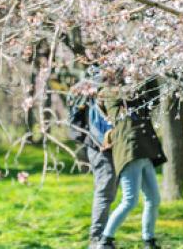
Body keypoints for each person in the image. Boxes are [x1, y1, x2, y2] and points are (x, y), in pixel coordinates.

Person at [96, 78, 165, 249]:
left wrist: (151, 76)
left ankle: (148, 240)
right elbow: (130, 93)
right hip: (130, 151)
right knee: (130, 200)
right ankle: (105, 239)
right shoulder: (109, 93)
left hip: (144, 150)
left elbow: (153, 98)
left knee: (153, 198)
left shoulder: (135, 97)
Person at [69, 66, 119, 249]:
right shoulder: (90, 89)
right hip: (99, 148)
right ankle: (98, 239)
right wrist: (92, 140)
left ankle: (105, 237)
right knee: (105, 190)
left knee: (110, 191)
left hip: (112, 146)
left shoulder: (111, 84)